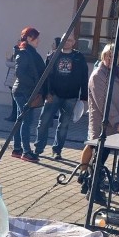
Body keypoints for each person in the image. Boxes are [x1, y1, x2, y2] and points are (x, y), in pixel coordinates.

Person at [79, 43, 119, 203]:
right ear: (103, 56)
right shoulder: (98, 75)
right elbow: (103, 103)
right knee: (99, 159)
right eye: (108, 55)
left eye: (115, 56)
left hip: (115, 125)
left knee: (102, 158)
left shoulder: (116, 73)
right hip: (102, 125)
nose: (111, 59)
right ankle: (93, 190)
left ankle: (90, 186)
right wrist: (117, 122)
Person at [34, 32, 88, 160]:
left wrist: (84, 97)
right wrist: (47, 93)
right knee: (44, 122)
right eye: (65, 40)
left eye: (70, 40)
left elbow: (84, 77)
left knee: (63, 125)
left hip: (71, 97)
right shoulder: (53, 55)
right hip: (53, 95)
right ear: (61, 40)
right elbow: (45, 77)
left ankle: (57, 150)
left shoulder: (79, 57)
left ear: (74, 42)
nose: (67, 42)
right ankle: (38, 148)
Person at [11, 26, 47, 162]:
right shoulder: (24, 52)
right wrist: (34, 85)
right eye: (36, 38)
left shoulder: (30, 52)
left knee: (21, 120)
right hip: (23, 92)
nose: (38, 40)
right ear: (29, 38)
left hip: (25, 91)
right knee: (26, 121)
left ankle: (17, 149)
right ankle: (26, 151)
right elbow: (20, 73)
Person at [4, 43, 20, 121]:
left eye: (14, 50)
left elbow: (13, 65)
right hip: (11, 81)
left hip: (14, 81)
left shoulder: (18, 57)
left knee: (15, 101)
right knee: (13, 100)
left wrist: (7, 61)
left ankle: (14, 116)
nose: (13, 51)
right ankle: (13, 115)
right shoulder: (14, 57)